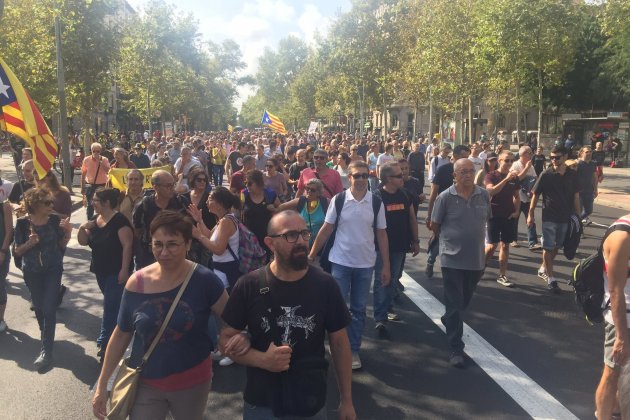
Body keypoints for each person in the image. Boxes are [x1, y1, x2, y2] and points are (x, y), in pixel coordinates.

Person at [91, 211, 248, 420]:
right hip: (146, 382)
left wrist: (240, 337)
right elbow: (121, 334)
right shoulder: (136, 283)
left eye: (173, 244)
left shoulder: (205, 280)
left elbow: (233, 319)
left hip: (192, 382)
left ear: (188, 244)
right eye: (158, 244)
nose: (164, 252)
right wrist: (102, 385)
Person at [220, 210, 356, 420]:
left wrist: (346, 400)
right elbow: (225, 341)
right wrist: (262, 360)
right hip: (262, 402)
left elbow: (339, 343)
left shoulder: (325, 284)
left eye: (304, 234)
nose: (301, 241)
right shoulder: (249, 285)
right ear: (270, 243)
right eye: (290, 235)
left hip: (309, 401)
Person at [308, 161, 389, 370]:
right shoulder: (339, 199)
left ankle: (353, 350)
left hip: (365, 264)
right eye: (356, 176)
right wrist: (312, 253)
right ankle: (332, 345)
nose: (361, 179)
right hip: (341, 262)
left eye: (364, 175)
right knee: (335, 306)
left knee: (359, 309)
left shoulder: (376, 202)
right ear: (349, 178)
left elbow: (381, 233)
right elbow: (326, 228)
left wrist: (386, 265)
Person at [430, 159, 491, 368]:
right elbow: (435, 225)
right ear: (454, 175)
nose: (467, 175)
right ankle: (455, 347)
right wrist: (447, 244)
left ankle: (449, 317)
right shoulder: (445, 197)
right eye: (462, 172)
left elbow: (485, 221)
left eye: (470, 171)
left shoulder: (483, 195)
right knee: (455, 303)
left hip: (475, 259)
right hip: (452, 258)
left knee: (464, 299)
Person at [13, 187, 72, 371]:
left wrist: (68, 232)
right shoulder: (23, 224)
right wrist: (29, 244)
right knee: (38, 307)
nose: (51, 205)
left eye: (51, 202)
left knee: (48, 308)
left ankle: (46, 351)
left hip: (52, 269)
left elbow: (62, 243)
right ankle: (46, 333)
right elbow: (17, 251)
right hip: (31, 271)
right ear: (35, 204)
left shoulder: (54, 220)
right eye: (47, 203)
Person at [77, 188, 133, 362]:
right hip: (100, 271)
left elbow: (127, 246)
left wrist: (124, 270)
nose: (92, 203)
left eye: (95, 200)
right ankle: (123, 331)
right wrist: (81, 227)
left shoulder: (119, 222)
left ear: (106, 203)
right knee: (113, 306)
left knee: (109, 307)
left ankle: (104, 344)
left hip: (116, 272)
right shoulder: (95, 220)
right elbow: (83, 241)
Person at [373, 162, 420, 333]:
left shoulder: (405, 194)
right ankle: (380, 317)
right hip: (380, 247)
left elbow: (412, 219)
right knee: (381, 280)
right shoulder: (376, 197)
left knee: (394, 279)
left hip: (400, 246)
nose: (403, 177)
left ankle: (387, 306)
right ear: (387, 178)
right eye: (399, 175)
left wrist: (416, 241)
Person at [527, 146, 580, 292]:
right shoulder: (546, 174)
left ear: (565, 157)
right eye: (551, 158)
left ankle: (544, 267)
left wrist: (578, 217)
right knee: (548, 246)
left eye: (557, 157)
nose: (554, 160)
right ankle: (551, 278)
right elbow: (535, 195)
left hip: (565, 217)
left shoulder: (572, 174)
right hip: (549, 217)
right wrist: (530, 214)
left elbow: (576, 196)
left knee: (558, 246)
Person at [595, 214, 630, 420]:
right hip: (622, 320)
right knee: (612, 372)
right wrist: (621, 336)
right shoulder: (622, 236)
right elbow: (615, 290)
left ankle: (617, 409)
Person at [425, 145, 471, 278]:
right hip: (443, 212)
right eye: (463, 157)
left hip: (462, 212)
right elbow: (433, 194)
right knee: (440, 239)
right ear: (455, 157)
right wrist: (430, 216)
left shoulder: (468, 172)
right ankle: (430, 261)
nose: (466, 160)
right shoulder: (443, 170)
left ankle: (456, 267)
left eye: (467, 157)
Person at [133, 170, 190, 268]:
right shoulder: (143, 206)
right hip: (149, 256)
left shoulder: (181, 202)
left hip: (176, 254)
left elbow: (189, 228)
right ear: (155, 187)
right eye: (168, 186)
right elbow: (137, 231)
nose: (172, 188)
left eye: (173, 184)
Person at [484, 151, 521, 287]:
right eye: (507, 160)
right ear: (499, 161)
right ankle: (481, 265)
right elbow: (491, 191)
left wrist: (517, 211)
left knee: (505, 245)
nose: (510, 163)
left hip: (508, 215)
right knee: (492, 246)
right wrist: (506, 180)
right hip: (493, 214)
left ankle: (502, 275)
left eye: (512, 161)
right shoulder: (491, 176)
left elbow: (517, 196)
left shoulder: (515, 178)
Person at [277, 178, 328, 249]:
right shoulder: (301, 201)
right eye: (307, 188)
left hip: (320, 247)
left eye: (313, 190)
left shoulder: (325, 203)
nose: (309, 191)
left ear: (319, 192)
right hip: (301, 245)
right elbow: (281, 208)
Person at [241, 170, 281, 261]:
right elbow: (238, 211)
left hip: (265, 237)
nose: (247, 186)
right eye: (245, 183)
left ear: (258, 183)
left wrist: (274, 209)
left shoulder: (270, 194)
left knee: (264, 263)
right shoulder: (244, 194)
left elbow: (282, 209)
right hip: (248, 237)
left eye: (250, 183)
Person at [182, 167, 215, 267]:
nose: (202, 182)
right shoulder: (184, 197)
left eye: (204, 180)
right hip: (189, 241)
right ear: (193, 180)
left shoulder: (211, 197)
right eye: (199, 180)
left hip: (206, 240)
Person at [510, 146, 541, 250]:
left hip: (528, 198)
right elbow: (517, 179)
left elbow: (536, 179)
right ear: (522, 154)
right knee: (514, 219)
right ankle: (513, 239)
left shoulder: (531, 166)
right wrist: (527, 168)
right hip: (517, 197)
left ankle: (532, 242)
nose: (531, 155)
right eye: (529, 153)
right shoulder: (515, 164)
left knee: (530, 219)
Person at [81, 142, 110, 220]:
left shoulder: (104, 159)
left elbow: (108, 171)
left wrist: (100, 163)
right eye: (94, 151)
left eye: (98, 151)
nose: (96, 153)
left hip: (101, 185)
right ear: (91, 151)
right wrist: (82, 187)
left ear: (100, 151)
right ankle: (90, 221)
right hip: (90, 185)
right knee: (90, 205)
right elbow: (83, 173)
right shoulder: (86, 159)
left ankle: (102, 220)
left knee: (102, 204)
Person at [576, 146, 598, 226]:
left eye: (590, 152)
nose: (589, 153)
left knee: (589, 211)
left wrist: (595, 189)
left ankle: (576, 222)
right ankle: (577, 229)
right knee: (578, 211)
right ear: (581, 153)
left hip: (589, 191)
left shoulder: (593, 164)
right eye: (587, 152)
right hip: (578, 192)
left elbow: (594, 177)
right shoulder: (577, 163)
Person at [0, 200, 13, 333]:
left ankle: (1, 319)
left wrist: (3, 252)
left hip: (1, 252)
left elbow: (9, 231)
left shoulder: (4, 205)